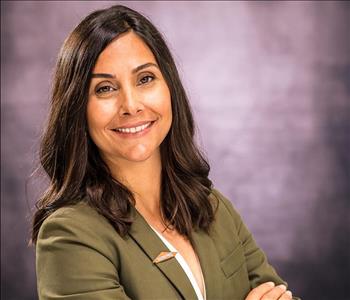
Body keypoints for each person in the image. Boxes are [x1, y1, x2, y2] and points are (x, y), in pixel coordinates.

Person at [32, 5, 300, 300]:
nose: (131, 105)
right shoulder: (70, 235)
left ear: (169, 87)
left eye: (145, 79)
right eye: (105, 88)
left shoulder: (210, 206)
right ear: (77, 109)